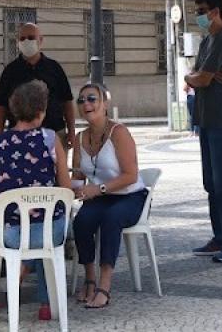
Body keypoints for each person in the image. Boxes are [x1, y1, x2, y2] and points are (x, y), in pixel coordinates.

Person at [0, 80, 71, 323]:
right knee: (45, 232)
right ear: (41, 111)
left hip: (9, 232)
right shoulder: (51, 139)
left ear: (13, 110)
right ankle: (46, 303)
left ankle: (20, 274)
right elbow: (65, 186)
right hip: (49, 229)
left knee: (28, 234)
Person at [70, 83, 146, 309]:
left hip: (131, 196)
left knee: (111, 219)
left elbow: (131, 175)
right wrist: (72, 188)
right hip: (102, 197)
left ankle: (105, 286)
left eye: (92, 99)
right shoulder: (80, 138)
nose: (86, 104)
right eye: (81, 101)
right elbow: (78, 176)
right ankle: (90, 279)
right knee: (81, 221)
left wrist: (98, 189)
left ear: (104, 103)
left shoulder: (119, 132)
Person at [183, 0, 222, 262]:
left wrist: (197, 76)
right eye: (197, 10)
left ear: (216, 11)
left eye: (202, 10)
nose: (199, 15)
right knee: (211, 182)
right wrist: (195, 76)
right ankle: (219, 237)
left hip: (221, 118)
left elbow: (203, 78)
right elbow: (198, 75)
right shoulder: (208, 40)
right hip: (205, 118)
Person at [0, 22, 76, 149]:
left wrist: (71, 131)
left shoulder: (54, 68)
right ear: (17, 42)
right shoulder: (10, 71)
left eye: (31, 38)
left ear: (40, 40)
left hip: (54, 133)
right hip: (19, 137)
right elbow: (1, 106)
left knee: (57, 169)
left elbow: (67, 101)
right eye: (22, 38)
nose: (27, 41)